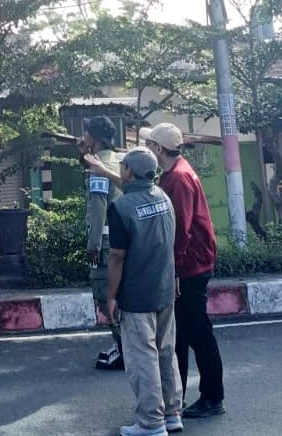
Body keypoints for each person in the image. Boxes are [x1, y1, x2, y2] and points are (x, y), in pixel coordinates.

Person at [139, 122, 225, 420]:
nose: (147, 149)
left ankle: (211, 398)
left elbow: (180, 230)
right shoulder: (175, 172)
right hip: (191, 263)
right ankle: (176, 399)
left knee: (196, 333)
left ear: (158, 149)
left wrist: (173, 271)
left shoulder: (178, 178)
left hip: (190, 265)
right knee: (184, 334)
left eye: (150, 145)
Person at [106, 146, 184, 436]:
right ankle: (172, 412)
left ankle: (151, 422)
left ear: (129, 171)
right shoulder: (163, 197)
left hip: (137, 295)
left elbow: (116, 257)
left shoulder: (121, 207)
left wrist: (110, 296)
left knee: (143, 358)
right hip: (164, 290)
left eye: (123, 165)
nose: (121, 170)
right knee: (165, 352)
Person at [80, 115, 124, 370]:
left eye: (86, 134)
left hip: (106, 243)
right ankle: (127, 347)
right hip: (124, 241)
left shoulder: (98, 169)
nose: (83, 137)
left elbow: (97, 208)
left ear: (95, 139)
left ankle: (124, 348)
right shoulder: (118, 161)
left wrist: (93, 245)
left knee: (105, 299)